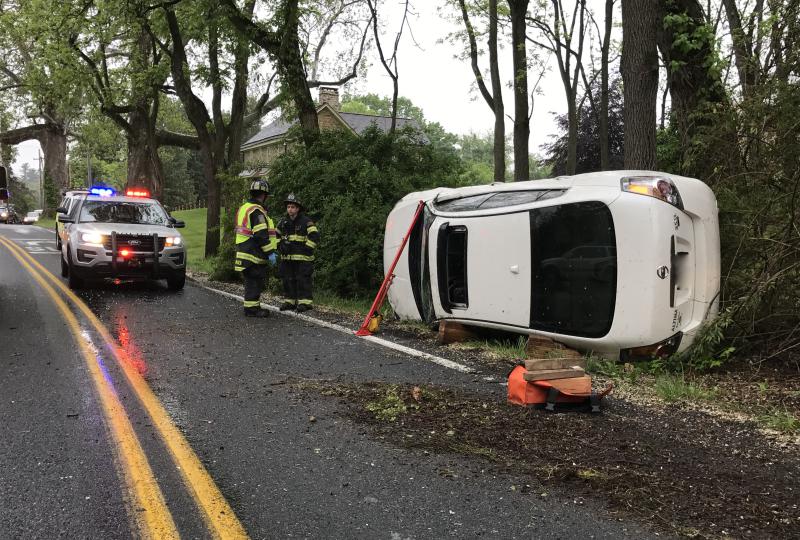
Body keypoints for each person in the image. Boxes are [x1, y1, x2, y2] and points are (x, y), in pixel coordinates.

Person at [234, 178, 278, 317]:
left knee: (251, 280)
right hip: (252, 253)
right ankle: (252, 309)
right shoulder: (257, 211)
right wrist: (270, 252)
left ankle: (252, 306)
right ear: (264, 195)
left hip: (244, 250)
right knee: (254, 280)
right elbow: (261, 235)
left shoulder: (245, 207)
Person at [276, 193, 319, 312]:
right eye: (288, 207)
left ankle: (305, 303)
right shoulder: (283, 222)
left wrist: (307, 249)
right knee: (288, 279)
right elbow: (275, 236)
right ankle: (290, 301)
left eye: (293, 207)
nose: (290, 209)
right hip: (288, 258)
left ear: (298, 208)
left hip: (303, 259)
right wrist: (280, 245)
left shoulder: (306, 221)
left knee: (303, 280)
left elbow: (314, 236)